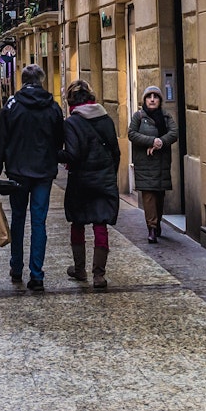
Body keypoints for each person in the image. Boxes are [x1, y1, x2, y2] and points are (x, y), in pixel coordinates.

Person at [0, 64, 64, 291]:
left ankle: (17, 267)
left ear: (22, 81)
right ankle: (37, 274)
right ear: (41, 80)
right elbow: (59, 140)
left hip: (18, 172)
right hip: (44, 172)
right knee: (39, 221)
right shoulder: (53, 107)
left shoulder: (11, 106)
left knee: (18, 219)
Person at [59, 81, 121, 288]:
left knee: (78, 223)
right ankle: (99, 275)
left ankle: (79, 270)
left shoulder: (72, 122)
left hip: (81, 180)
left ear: (71, 102)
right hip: (103, 179)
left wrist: (54, 155)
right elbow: (116, 152)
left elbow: (73, 155)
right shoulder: (106, 119)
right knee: (100, 223)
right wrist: (110, 174)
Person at [128, 85, 180, 243]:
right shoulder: (138, 116)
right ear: (144, 100)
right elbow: (132, 134)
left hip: (161, 164)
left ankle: (157, 224)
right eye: (149, 96)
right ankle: (151, 228)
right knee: (149, 196)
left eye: (155, 96)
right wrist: (151, 140)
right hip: (145, 163)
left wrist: (160, 142)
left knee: (159, 196)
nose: (152, 99)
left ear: (160, 100)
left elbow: (174, 133)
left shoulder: (165, 116)